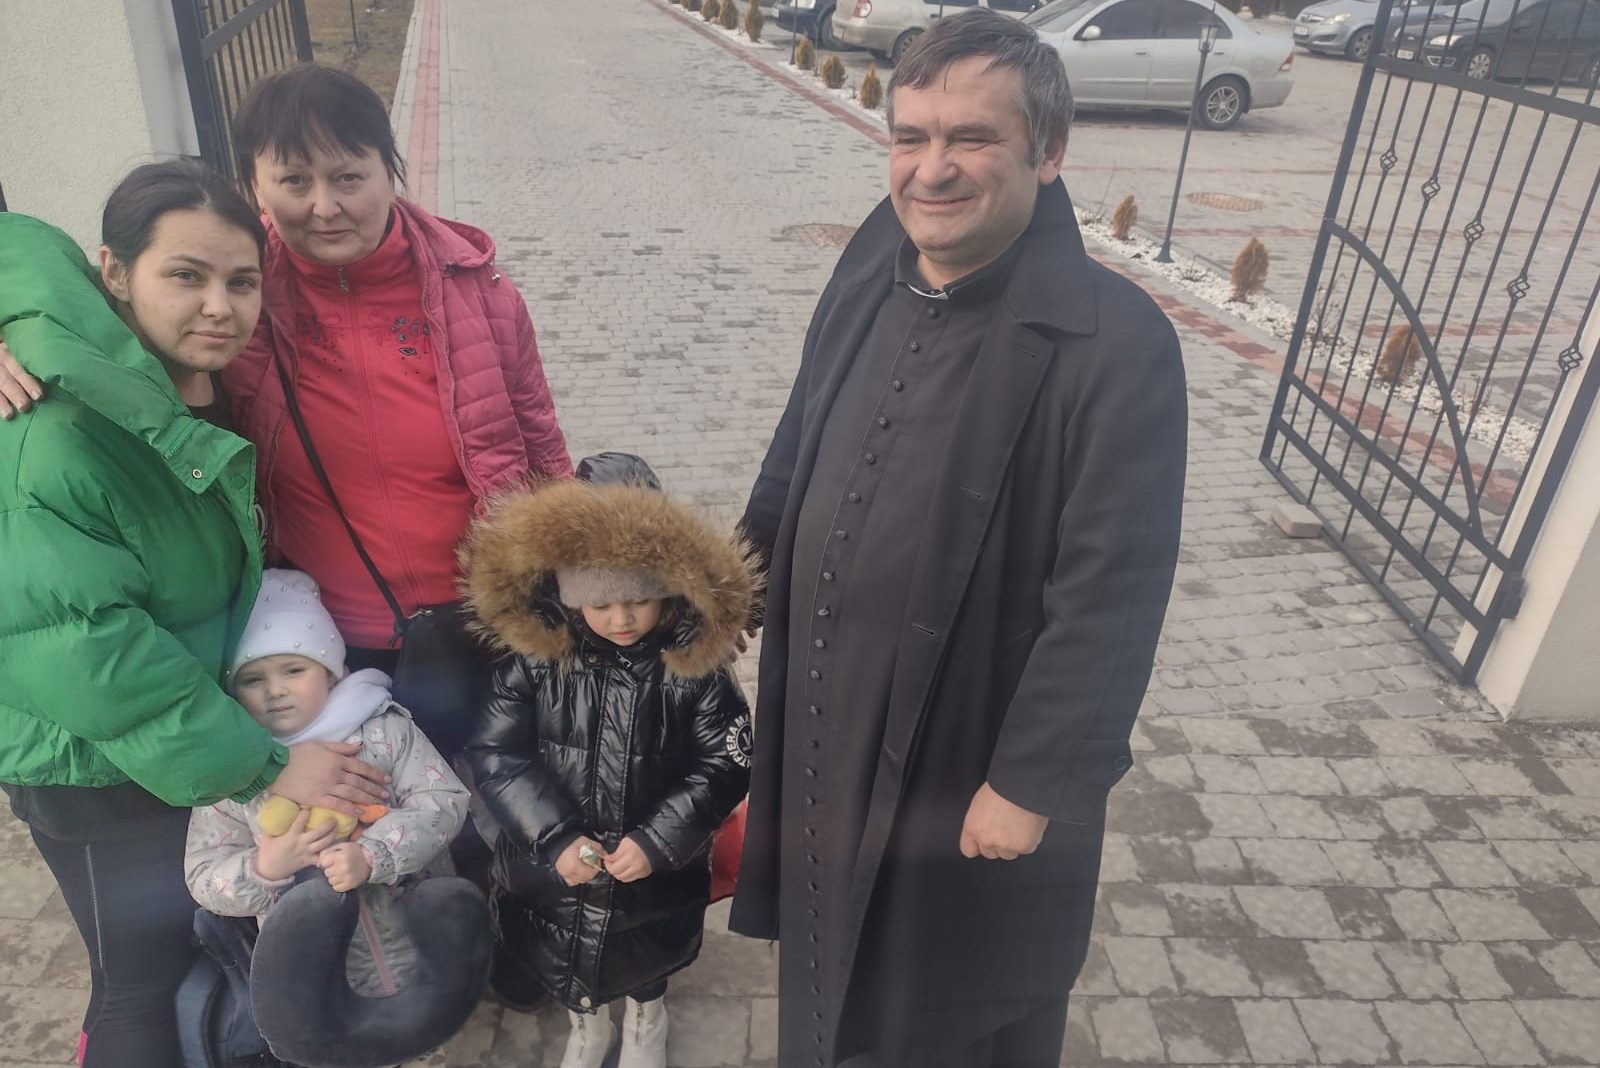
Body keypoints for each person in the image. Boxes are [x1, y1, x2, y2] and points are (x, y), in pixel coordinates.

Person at [729, 11, 1189, 1067]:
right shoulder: (870, 256)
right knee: (825, 972)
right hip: (826, 723)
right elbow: (797, 440)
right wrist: (732, 580)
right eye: (911, 136)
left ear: (1049, 151)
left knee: (946, 1012)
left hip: (967, 749)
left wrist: (1033, 780)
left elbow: (1112, 592)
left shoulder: (1116, 344)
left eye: (971, 139)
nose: (931, 170)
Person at [0, 64, 574, 752]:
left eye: (349, 176)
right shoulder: (239, 297)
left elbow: (544, 451)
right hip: (320, 648)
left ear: (389, 171)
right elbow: (88, 305)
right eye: (295, 181)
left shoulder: (480, 292)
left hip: (489, 625)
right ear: (256, 187)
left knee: (505, 823)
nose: (325, 206)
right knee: (365, 839)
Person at [0, 162, 389, 1068]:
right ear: (112, 273)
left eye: (241, 282)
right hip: (89, 773)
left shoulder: (176, 402)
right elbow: (89, 654)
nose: (219, 305)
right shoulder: (55, 431)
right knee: (138, 979)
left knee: (193, 962)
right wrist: (264, 768)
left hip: (174, 751)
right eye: (185, 276)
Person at [459, 452, 755, 1068]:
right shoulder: (534, 661)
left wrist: (660, 839)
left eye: (639, 601)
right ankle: (587, 1026)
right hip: (553, 864)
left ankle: (648, 1015)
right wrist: (554, 835)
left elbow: (724, 761)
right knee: (562, 953)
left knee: (646, 954)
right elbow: (496, 750)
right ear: (567, 596)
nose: (621, 619)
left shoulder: (694, 667)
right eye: (600, 603)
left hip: (655, 865)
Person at [185, 569, 470, 1025]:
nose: (275, 690)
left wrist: (374, 854)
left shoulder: (383, 731)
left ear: (333, 673)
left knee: (424, 1023)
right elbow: (202, 874)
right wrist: (264, 869)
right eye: (252, 679)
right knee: (350, 1040)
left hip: (418, 942)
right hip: (317, 973)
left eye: (294, 670)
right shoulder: (235, 773)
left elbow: (445, 799)